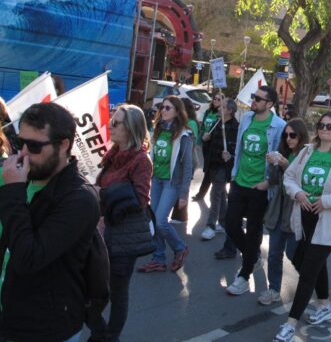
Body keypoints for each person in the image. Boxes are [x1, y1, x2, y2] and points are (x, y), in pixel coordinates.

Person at [0, 103, 99, 341]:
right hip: (10, 314)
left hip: (45, 328)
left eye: (33, 146)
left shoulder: (80, 199)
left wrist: (13, 192)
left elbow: (28, 258)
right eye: (19, 141)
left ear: (63, 145)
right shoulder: (25, 175)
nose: (23, 153)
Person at [273, 112, 331, 342]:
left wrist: (327, 201)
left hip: (327, 222)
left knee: (308, 272)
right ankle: (325, 304)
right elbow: (289, 178)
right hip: (304, 219)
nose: (324, 129)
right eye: (321, 125)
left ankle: (290, 324)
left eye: (330, 126)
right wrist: (299, 192)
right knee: (305, 262)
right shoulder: (306, 152)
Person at [86, 104, 153, 342]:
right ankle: (100, 331)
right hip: (102, 231)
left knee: (117, 292)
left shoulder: (140, 160)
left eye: (116, 122)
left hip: (123, 237)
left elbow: (140, 200)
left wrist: (102, 193)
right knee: (88, 289)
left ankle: (109, 336)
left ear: (131, 128)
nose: (110, 126)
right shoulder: (112, 154)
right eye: (111, 121)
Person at [225, 86, 286, 296]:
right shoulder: (247, 118)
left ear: (269, 104)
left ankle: (244, 274)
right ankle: (253, 257)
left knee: (253, 230)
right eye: (254, 97)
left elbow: (279, 159)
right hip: (239, 181)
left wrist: (268, 182)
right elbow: (239, 149)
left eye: (259, 99)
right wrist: (234, 173)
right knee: (230, 224)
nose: (254, 101)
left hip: (259, 187)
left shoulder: (279, 126)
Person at [138, 96, 193, 273]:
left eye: (168, 108)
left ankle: (180, 248)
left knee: (161, 221)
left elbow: (188, 167)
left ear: (177, 112)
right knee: (153, 221)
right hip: (156, 180)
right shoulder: (157, 129)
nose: (163, 110)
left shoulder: (184, 134)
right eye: (162, 107)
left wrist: (184, 194)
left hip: (171, 183)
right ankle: (158, 258)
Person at [259, 118, 309, 305]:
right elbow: (273, 181)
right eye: (286, 135)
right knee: (274, 254)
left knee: (293, 254)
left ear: (301, 136)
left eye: (293, 135)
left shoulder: (306, 155)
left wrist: (285, 164)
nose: (289, 139)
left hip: (295, 213)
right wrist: (272, 164)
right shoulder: (284, 153)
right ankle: (274, 289)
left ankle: (311, 281)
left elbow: (300, 181)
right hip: (278, 210)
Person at [200, 99, 239, 241]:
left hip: (224, 166)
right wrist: (205, 139)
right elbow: (208, 142)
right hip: (213, 163)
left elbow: (237, 149)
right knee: (221, 193)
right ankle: (223, 222)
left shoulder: (236, 127)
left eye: (222, 107)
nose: (218, 109)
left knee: (215, 193)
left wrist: (230, 155)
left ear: (230, 110)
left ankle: (210, 226)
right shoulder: (217, 122)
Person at [170, 98, 199, 223]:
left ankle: (181, 216)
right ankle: (178, 215)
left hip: (188, 160)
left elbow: (193, 142)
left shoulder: (191, 123)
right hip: (180, 161)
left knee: (183, 187)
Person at [191, 93, 223, 202]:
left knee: (209, 170)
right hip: (205, 144)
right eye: (215, 98)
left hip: (214, 145)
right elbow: (203, 126)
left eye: (219, 99)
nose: (216, 100)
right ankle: (221, 194)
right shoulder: (208, 112)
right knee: (208, 170)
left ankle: (202, 194)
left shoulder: (221, 115)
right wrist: (200, 140)